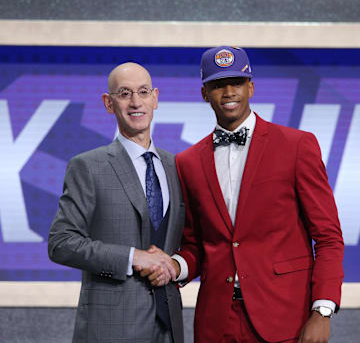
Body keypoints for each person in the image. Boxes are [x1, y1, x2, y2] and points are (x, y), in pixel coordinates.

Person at [172, 46, 344, 343]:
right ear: (204, 93)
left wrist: (323, 311)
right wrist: (173, 267)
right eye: (217, 85)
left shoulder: (297, 146)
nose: (228, 92)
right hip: (216, 323)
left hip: (285, 319)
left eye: (236, 82)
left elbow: (328, 237)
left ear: (250, 87)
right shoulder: (186, 162)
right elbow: (196, 244)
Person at [48, 62, 185, 343]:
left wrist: (175, 265)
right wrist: (133, 257)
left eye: (143, 92)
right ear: (109, 104)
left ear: (155, 97)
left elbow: (192, 240)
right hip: (110, 328)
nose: (136, 102)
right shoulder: (88, 166)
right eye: (125, 94)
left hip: (168, 327)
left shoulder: (177, 166)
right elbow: (61, 243)